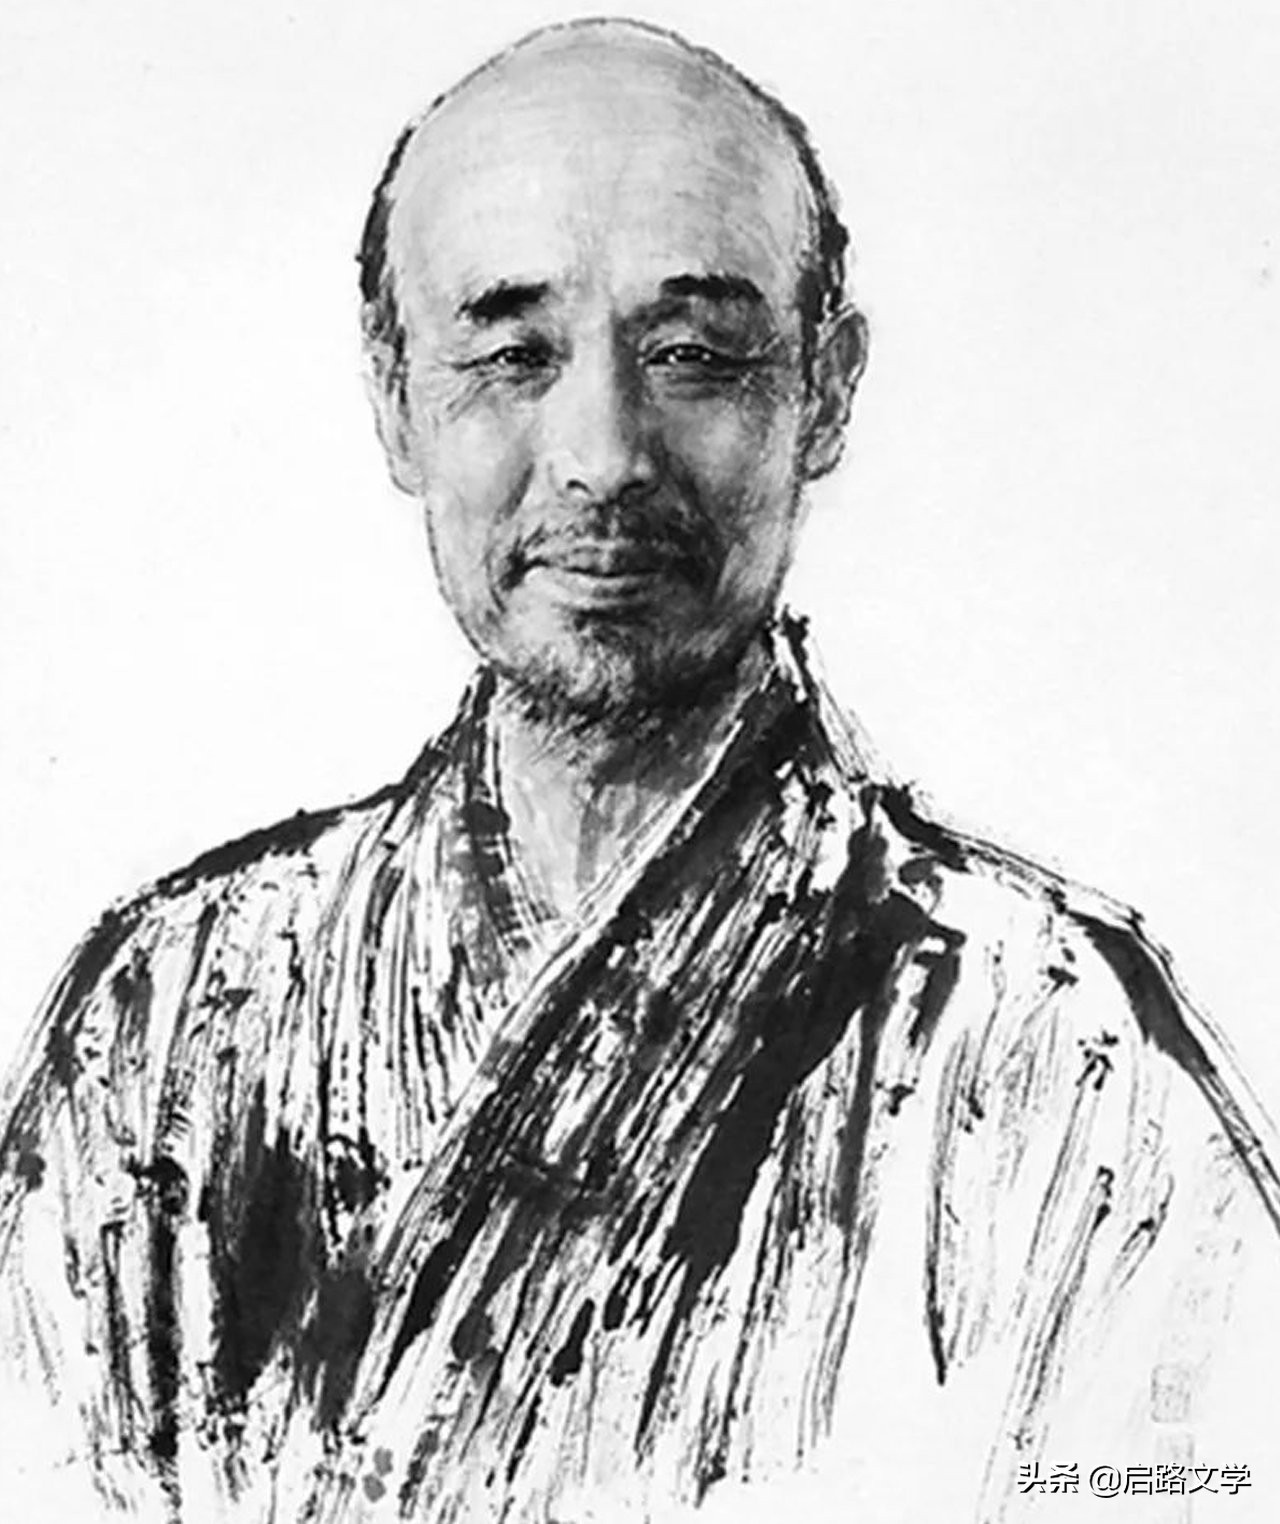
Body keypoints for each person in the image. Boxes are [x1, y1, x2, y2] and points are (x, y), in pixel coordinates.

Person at [1, 17, 1277, 1523]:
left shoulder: (1060, 1059)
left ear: (827, 391)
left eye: (693, 357)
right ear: (395, 399)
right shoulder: (173, 1016)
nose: (602, 453)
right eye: (510, 357)